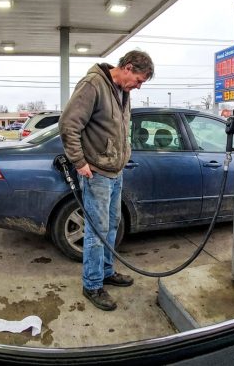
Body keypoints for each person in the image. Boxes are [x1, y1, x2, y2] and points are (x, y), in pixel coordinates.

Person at [59, 50, 154, 311]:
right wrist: (79, 163)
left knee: (112, 225)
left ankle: (106, 272)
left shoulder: (122, 91)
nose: (139, 85)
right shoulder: (93, 85)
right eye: (139, 79)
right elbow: (68, 124)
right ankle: (92, 284)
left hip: (115, 172)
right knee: (97, 232)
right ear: (128, 67)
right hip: (97, 173)